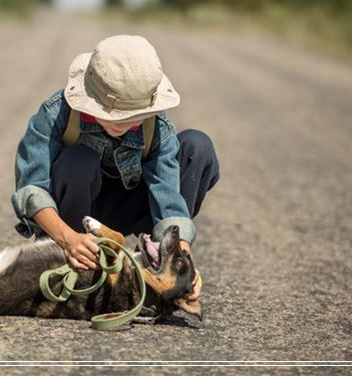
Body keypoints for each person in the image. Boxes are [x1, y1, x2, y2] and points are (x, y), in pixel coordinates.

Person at [11, 35, 219, 302]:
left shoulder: (157, 126)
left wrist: (181, 257)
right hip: (73, 213)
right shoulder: (56, 112)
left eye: (134, 117)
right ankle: (76, 259)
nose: (123, 124)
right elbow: (31, 189)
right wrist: (68, 238)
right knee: (79, 159)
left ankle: (157, 260)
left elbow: (169, 201)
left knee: (197, 146)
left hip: (130, 209)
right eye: (113, 114)